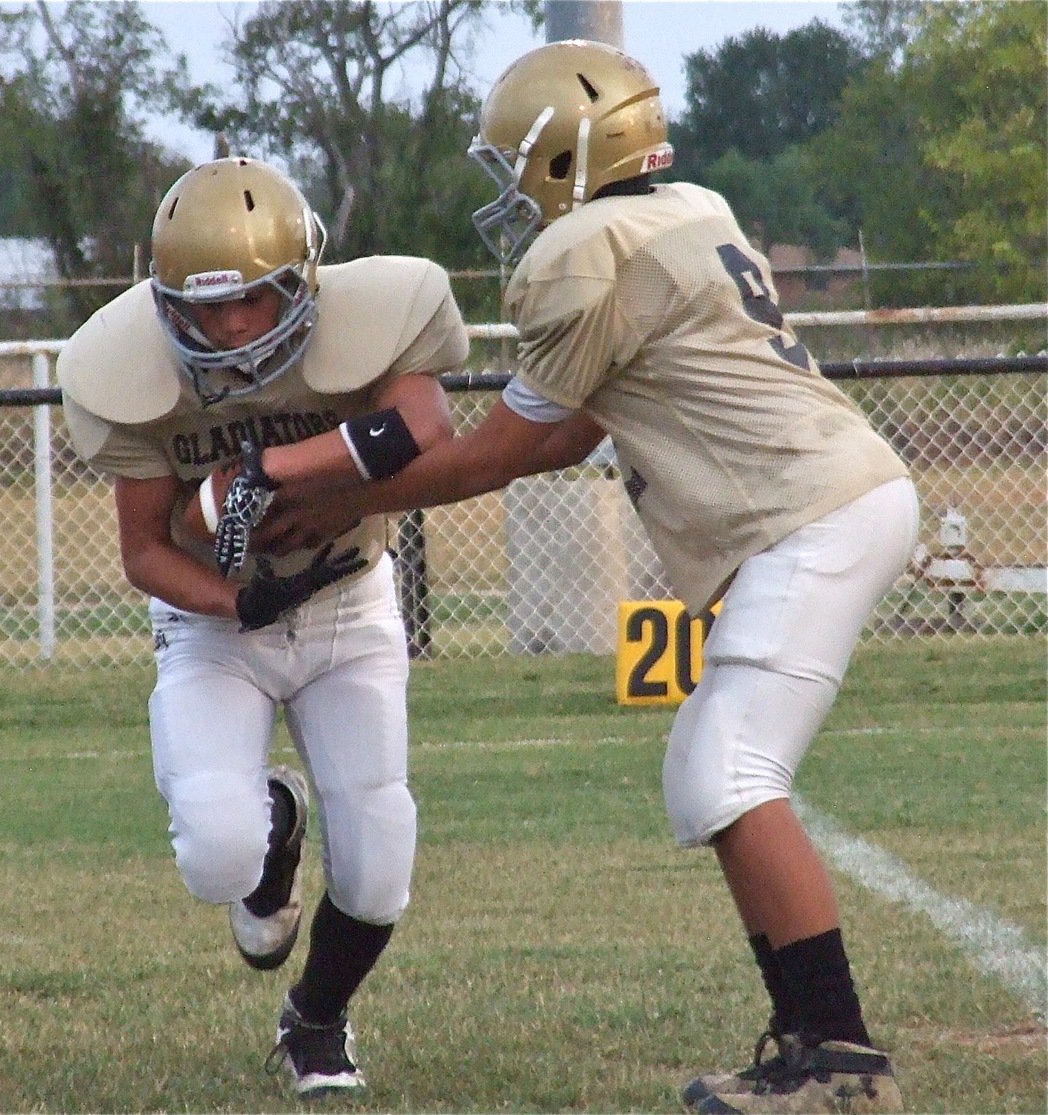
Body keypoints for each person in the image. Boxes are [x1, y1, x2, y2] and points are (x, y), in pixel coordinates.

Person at [251, 40, 917, 1115]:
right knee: (709, 768)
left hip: (810, 511)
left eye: (516, 165)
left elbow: (506, 448)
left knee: (728, 771)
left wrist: (349, 497)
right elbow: (572, 431)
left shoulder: (584, 248)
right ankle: (812, 1040)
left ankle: (841, 1060)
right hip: (832, 496)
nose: (511, 194)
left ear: (567, 153)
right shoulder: (690, 208)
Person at [57, 156, 468, 1097]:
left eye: (253, 298)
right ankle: (274, 824)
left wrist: (278, 471)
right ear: (165, 300)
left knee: (379, 862)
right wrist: (236, 602)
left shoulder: (372, 315)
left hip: (348, 598)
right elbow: (145, 552)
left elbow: (428, 427)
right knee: (217, 854)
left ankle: (316, 1019)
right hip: (216, 620)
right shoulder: (128, 368)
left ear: (303, 280)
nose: (235, 326)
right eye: (208, 306)